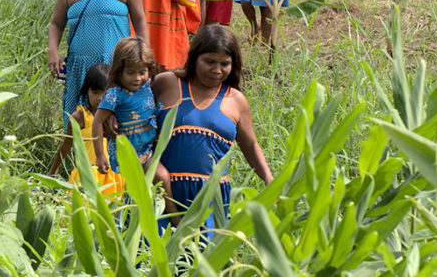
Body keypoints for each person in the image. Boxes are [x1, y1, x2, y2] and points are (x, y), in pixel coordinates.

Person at [152, 25, 273, 235]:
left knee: (204, 261)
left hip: (209, 197)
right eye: (209, 62)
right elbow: (133, 112)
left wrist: (269, 179)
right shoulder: (167, 84)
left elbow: (251, 145)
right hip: (160, 191)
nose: (217, 70)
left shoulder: (236, 100)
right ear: (194, 57)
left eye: (225, 63)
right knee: (152, 258)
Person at [48, 0, 148, 130]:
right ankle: (79, 160)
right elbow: (56, 24)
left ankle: (115, 160)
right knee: (78, 122)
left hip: (115, 66)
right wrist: (53, 51)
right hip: (80, 68)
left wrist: (142, 57)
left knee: (117, 121)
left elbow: (140, 22)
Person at [92, 38, 178, 219]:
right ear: (118, 71)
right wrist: (100, 155)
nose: (137, 78)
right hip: (127, 154)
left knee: (159, 181)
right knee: (133, 193)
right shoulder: (115, 95)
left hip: (147, 150)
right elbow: (97, 122)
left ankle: (172, 221)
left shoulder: (148, 86)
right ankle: (123, 229)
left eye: (142, 72)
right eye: (130, 72)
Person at [46, 64, 125, 194]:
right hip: (85, 176)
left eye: (105, 94)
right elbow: (65, 146)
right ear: (86, 91)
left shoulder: (115, 117)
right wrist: (53, 171)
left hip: (112, 177)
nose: (100, 98)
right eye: (95, 92)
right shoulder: (79, 117)